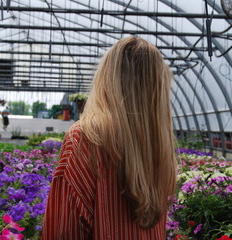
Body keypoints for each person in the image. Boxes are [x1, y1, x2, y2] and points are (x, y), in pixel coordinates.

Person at [42, 36, 177, 239]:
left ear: (106, 78)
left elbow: (64, 230)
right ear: (158, 88)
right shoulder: (159, 147)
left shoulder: (87, 138)